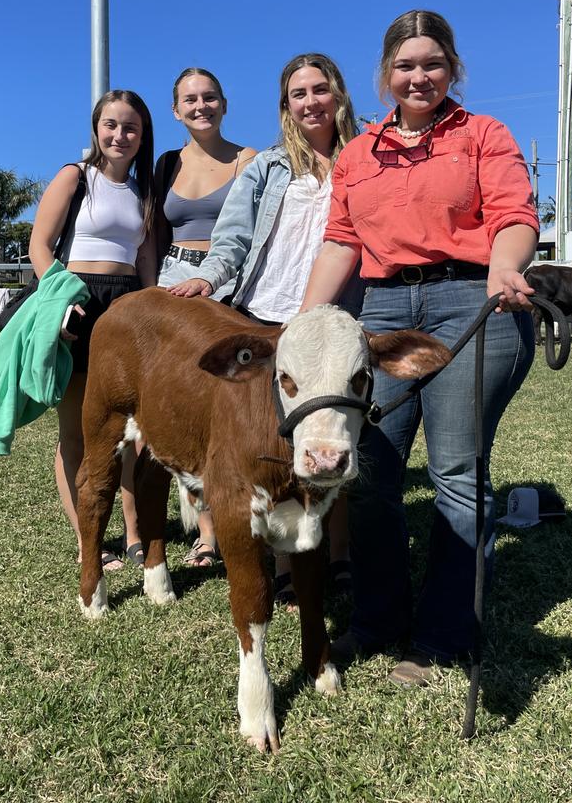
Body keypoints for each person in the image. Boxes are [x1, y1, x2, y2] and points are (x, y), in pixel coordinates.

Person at [300, 10, 539, 685]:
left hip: (472, 303)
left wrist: (503, 268)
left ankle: (443, 636)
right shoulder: (357, 154)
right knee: (370, 472)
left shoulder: (484, 134)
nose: (419, 76)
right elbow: (342, 240)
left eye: (432, 63)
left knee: (457, 474)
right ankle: (377, 619)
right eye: (405, 66)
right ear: (384, 77)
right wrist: (307, 319)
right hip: (382, 311)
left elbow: (515, 216)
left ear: (452, 69)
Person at [169, 52, 361, 603]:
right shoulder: (269, 167)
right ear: (285, 106)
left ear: (339, 95)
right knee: (275, 446)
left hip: (334, 319)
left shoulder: (365, 158)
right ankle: (284, 565)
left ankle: (340, 557)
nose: (310, 102)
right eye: (297, 94)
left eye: (319, 90)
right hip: (267, 314)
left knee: (336, 434)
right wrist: (207, 280)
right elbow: (231, 238)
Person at [29, 90, 157, 571]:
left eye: (131, 128)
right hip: (77, 302)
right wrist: (62, 298)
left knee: (132, 432)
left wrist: (152, 306)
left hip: (127, 307)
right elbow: (39, 245)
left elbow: (145, 256)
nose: (120, 135)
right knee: (78, 430)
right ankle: (90, 540)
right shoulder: (75, 177)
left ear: (143, 136)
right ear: (96, 128)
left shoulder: (145, 190)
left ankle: (135, 533)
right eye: (111, 125)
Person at [153, 67, 256, 566]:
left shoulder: (249, 160)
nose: (201, 106)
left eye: (210, 97)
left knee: (231, 404)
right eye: (190, 99)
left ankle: (243, 513)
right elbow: (152, 233)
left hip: (229, 285)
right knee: (185, 403)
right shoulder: (166, 163)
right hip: (172, 283)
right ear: (176, 109)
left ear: (224, 103)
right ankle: (206, 532)